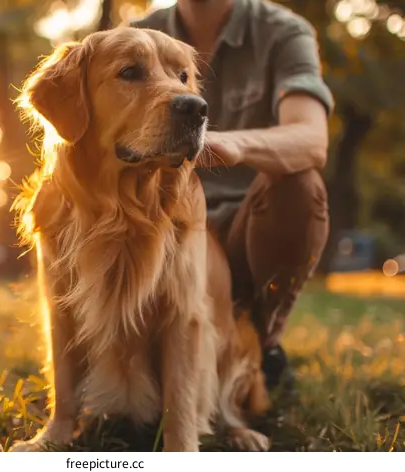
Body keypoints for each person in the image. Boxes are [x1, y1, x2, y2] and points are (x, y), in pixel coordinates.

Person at [131, 0, 332, 392]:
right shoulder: (140, 35)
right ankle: (126, 354)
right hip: (160, 225)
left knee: (300, 184)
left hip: (246, 231)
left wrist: (230, 145)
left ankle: (259, 346)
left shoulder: (283, 32)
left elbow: (312, 138)